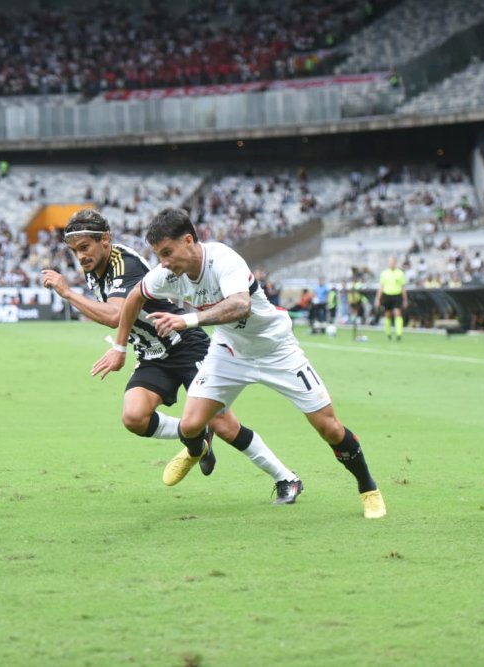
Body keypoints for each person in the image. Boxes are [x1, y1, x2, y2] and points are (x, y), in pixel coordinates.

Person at [92, 208, 386, 518]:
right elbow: (135, 297)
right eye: (158, 255)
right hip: (229, 351)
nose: (163, 262)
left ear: (189, 241)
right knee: (191, 425)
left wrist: (187, 320)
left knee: (329, 428)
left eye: (167, 252)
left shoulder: (223, 260)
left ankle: (368, 487)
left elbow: (240, 305)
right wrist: (121, 347)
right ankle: (197, 449)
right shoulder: (167, 274)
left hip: (276, 350)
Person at [41, 209, 303, 504]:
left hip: (184, 343)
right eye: (75, 251)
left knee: (225, 425)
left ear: (105, 240)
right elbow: (125, 314)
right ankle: (195, 435)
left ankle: (286, 478)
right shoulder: (95, 269)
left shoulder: (123, 265)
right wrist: (123, 345)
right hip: (153, 353)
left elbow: (116, 314)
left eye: (85, 248)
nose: (81, 257)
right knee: (134, 417)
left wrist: (68, 294)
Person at [375, 256, 407, 340]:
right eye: (390, 262)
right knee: (388, 314)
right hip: (387, 295)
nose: (391, 264)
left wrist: (405, 299)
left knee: (397, 313)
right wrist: (378, 298)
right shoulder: (384, 273)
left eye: (392, 262)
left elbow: (403, 287)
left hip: (397, 295)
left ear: (395, 263)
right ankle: (388, 333)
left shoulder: (400, 273)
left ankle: (399, 334)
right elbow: (381, 287)